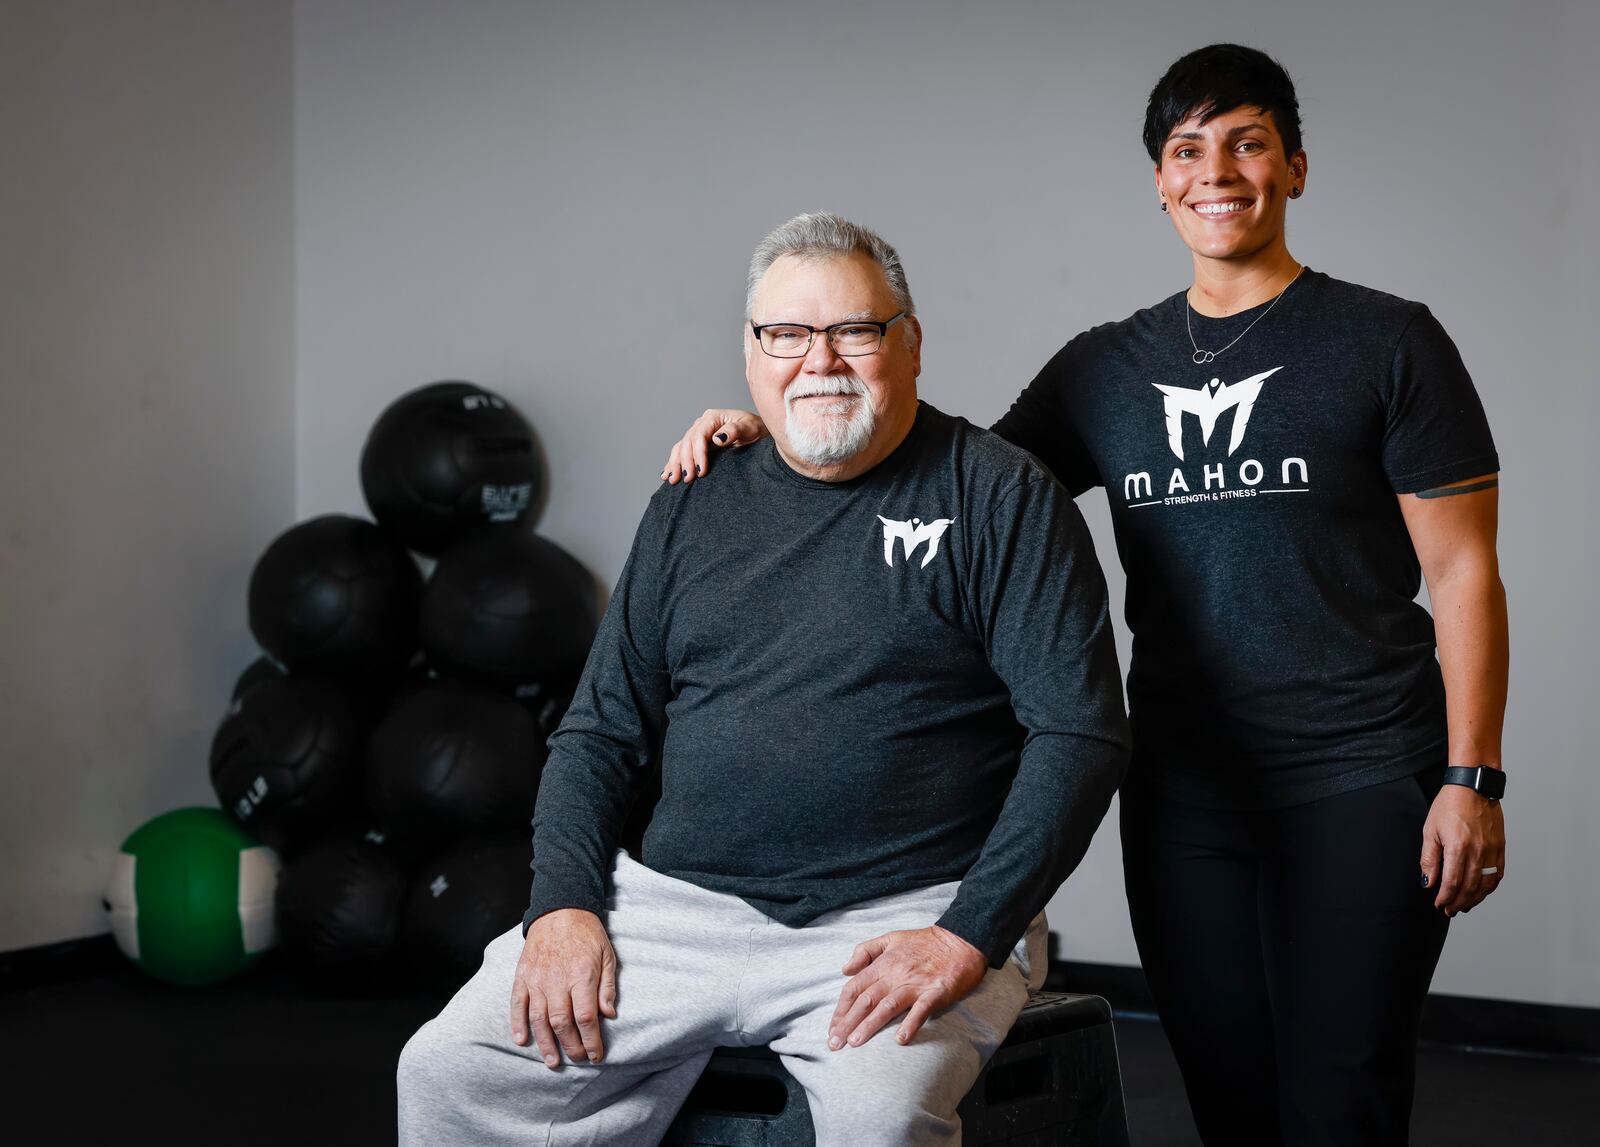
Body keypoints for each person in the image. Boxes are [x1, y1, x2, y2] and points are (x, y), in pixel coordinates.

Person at [659, 44, 1508, 1147]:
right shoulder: (1108, 365)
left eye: (1247, 142)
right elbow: (955, 481)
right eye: (1187, 149)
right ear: (1160, 181)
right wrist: (778, 424)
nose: (1218, 171)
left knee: (1338, 1095)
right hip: (1186, 788)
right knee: (1229, 1092)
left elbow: (1462, 572)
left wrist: (1470, 776)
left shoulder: (1387, 340)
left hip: (1360, 772)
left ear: (1294, 166)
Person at [396, 213, 1130, 1146]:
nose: (818, 359)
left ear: (909, 343)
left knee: (879, 1116)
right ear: (750, 356)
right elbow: (600, 729)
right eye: (786, 334)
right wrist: (565, 903)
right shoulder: (695, 493)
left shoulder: (1000, 496)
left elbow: (1081, 734)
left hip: (901, 914)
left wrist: (967, 932)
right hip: (672, 911)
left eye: (854, 330)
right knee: (449, 1071)